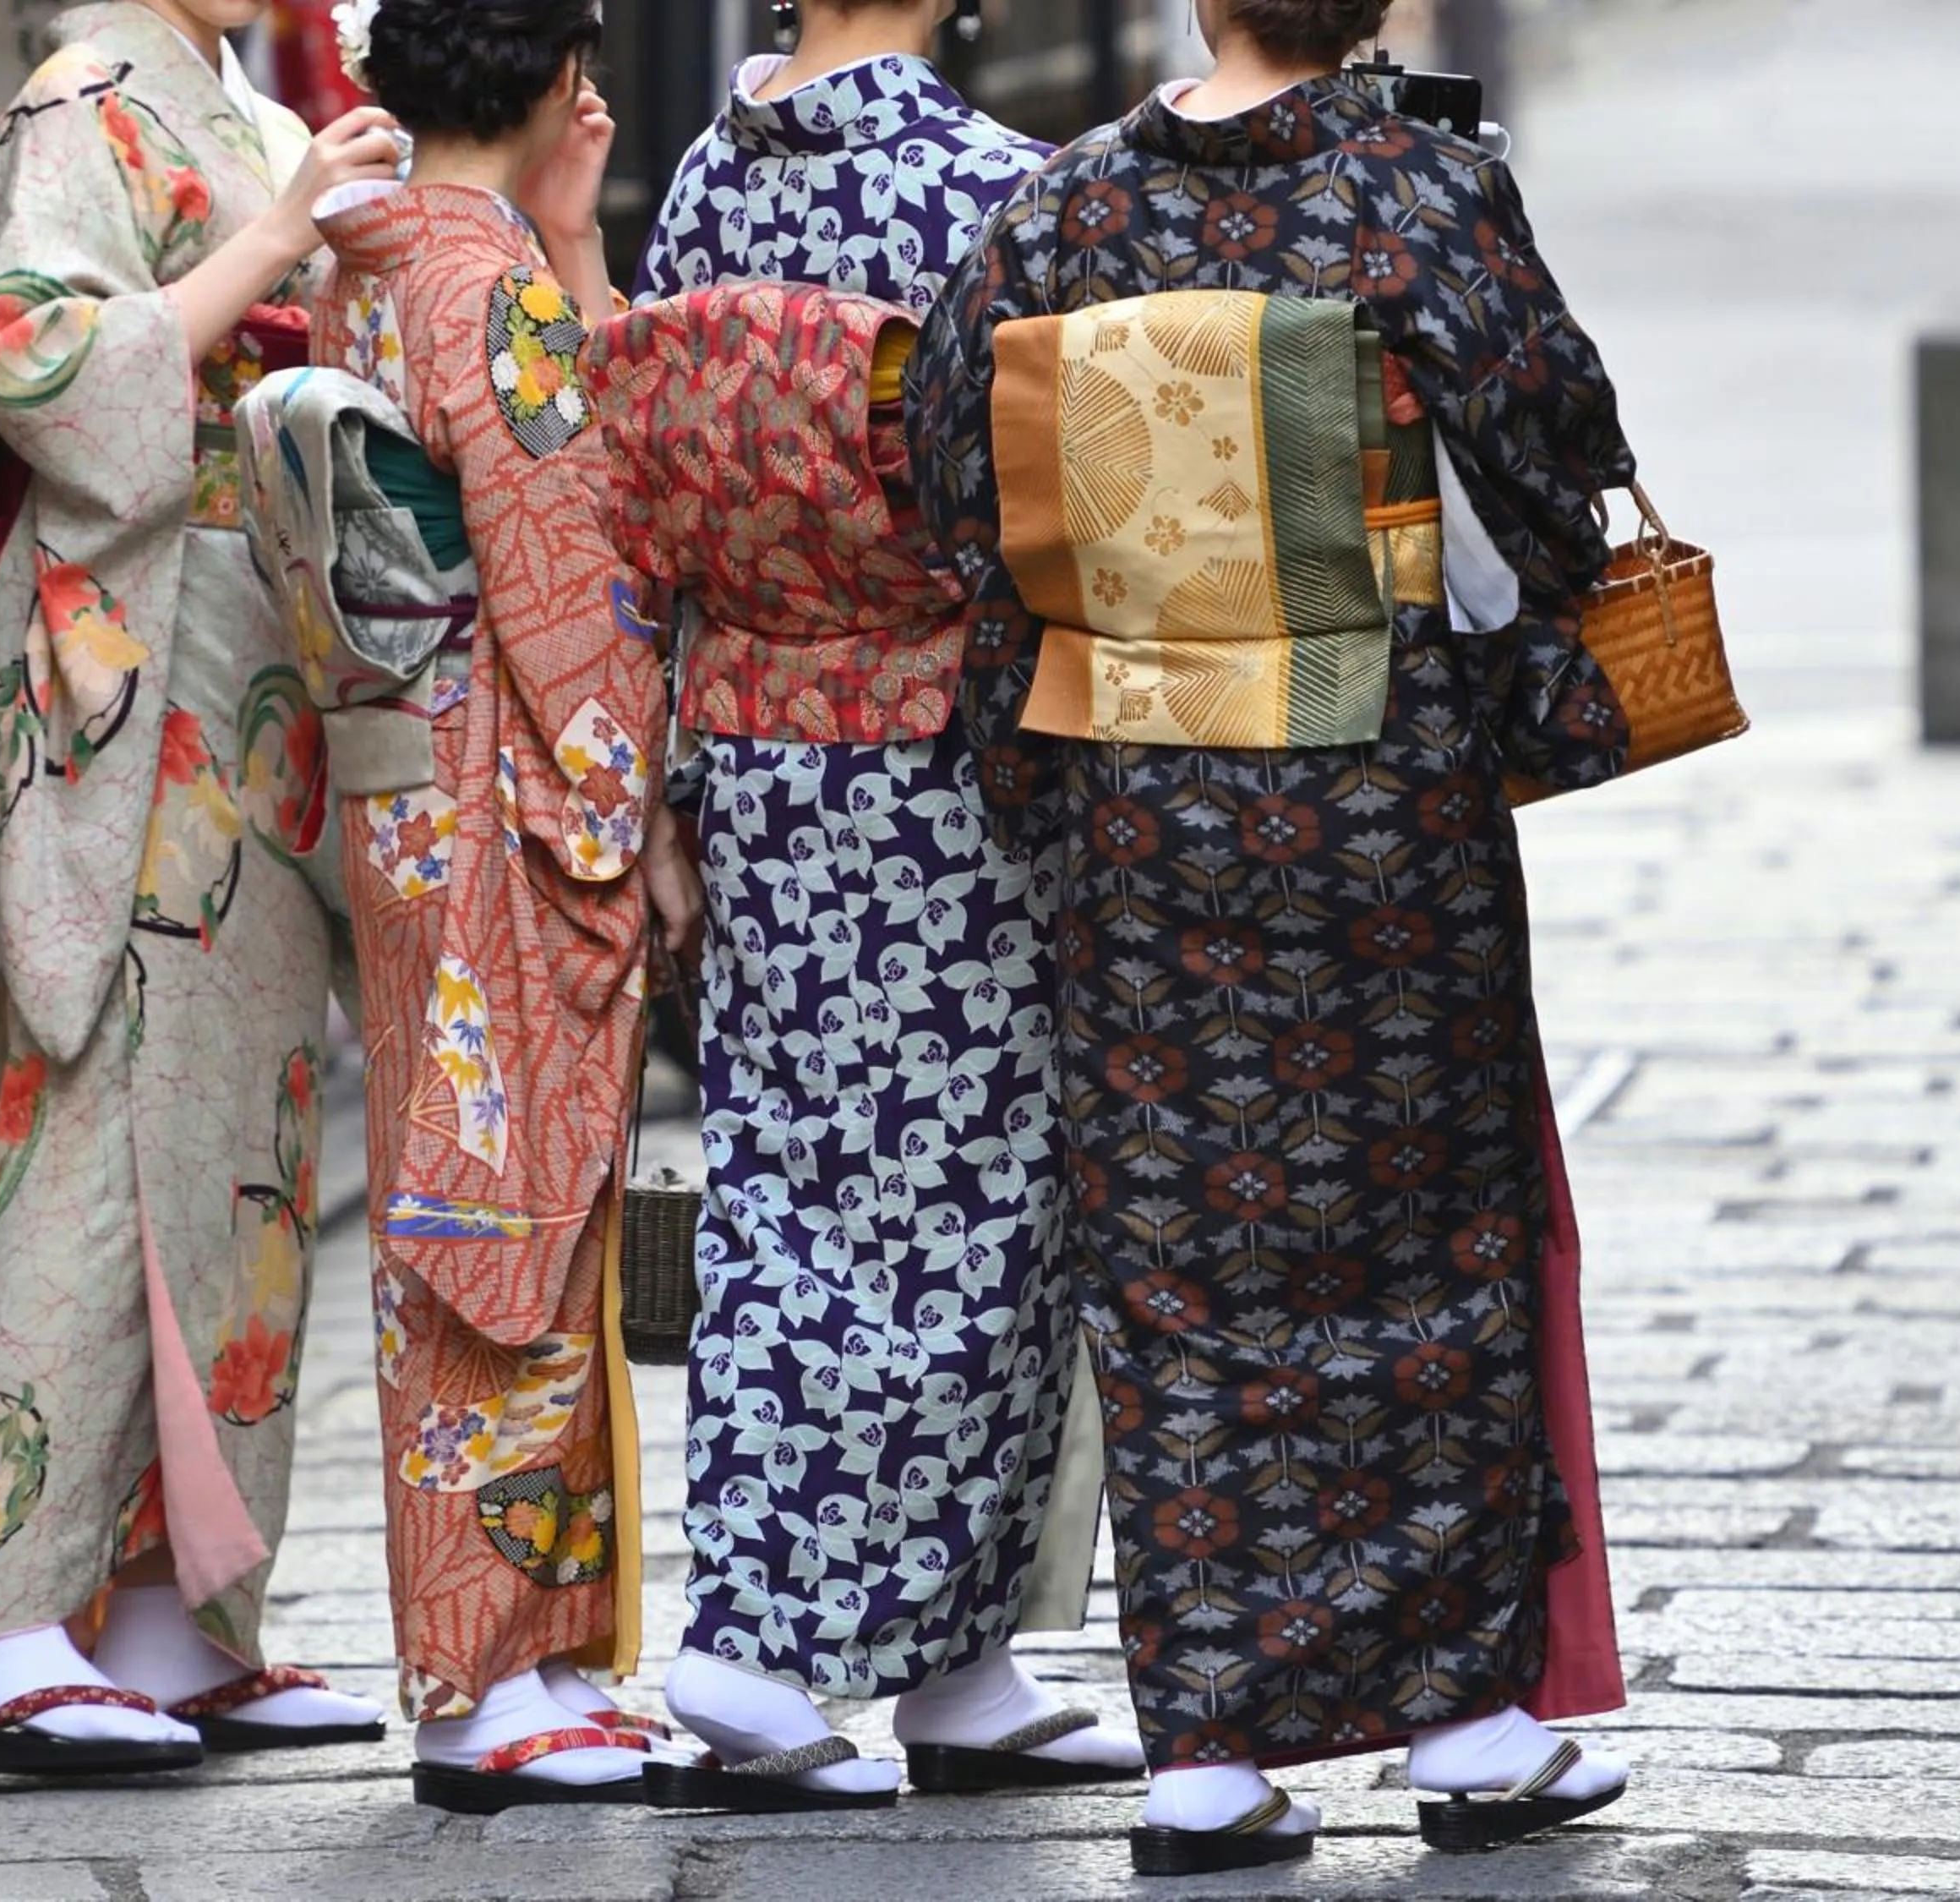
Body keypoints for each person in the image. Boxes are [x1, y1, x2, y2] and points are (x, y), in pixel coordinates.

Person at [906, 0, 1634, 1872]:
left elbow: (949, 482)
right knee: (1428, 1230)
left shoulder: (1057, 218)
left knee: (1181, 1255)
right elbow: (1555, 453)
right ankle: (1468, 1726)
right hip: (1381, 788)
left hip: (1147, 808)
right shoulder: (1423, 193)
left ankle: (1206, 1754)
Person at [612, 0, 1142, 1809]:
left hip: (756, 741)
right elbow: (1043, 508)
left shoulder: (696, 188)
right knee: (973, 1205)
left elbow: (651, 503)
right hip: (933, 760)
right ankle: (756, 1650)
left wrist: (666, 776)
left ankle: (952, 1657)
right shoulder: (990, 194)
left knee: (796, 1182)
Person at [0, 0, 407, 1777]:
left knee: (247, 1134)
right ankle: (3, 1625)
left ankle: (174, 1615)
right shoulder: (86, 92)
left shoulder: (226, 100)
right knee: (105, 1112)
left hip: (243, 642)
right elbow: (39, 366)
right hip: (127, 650)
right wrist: (278, 246)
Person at [263, 0, 696, 1813]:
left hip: (402, 780)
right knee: (500, 1226)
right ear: (544, 81)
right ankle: (478, 1674)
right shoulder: (483, 288)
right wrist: (635, 806)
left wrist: (575, 224)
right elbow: (559, 583)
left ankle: (521, 1659)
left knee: (470, 1203)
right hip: (506, 787)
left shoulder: (368, 249)